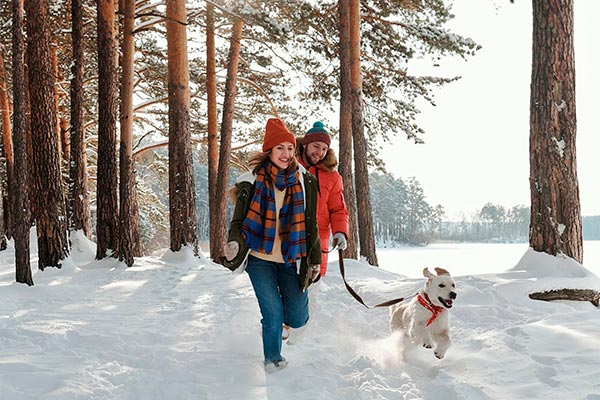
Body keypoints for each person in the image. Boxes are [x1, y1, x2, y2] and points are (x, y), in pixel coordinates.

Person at [222, 117, 322, 373]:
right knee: (273, 312)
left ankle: (281, 328)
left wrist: (315, 260)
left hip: (293, 258)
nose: (286, 154)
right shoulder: (251, 182)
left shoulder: (304, 181)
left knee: (298, 317)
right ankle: (273, 359)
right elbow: (239, 223)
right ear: (269, 151)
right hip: (260, 259)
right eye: (280, 148)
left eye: (290, 148)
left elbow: (311, 225)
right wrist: (234, 243)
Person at [283, 121, 349, 343]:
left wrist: (340, 232)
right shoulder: (289, 166)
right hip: (287, 240)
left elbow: (338, 209)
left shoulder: (332, 176)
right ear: (306, 145)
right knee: (283, 286)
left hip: (316, 246)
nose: (319, 152)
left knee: (310, 292)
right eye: (315, 146)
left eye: (323, 148)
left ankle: (296, 341)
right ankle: (280, 330)